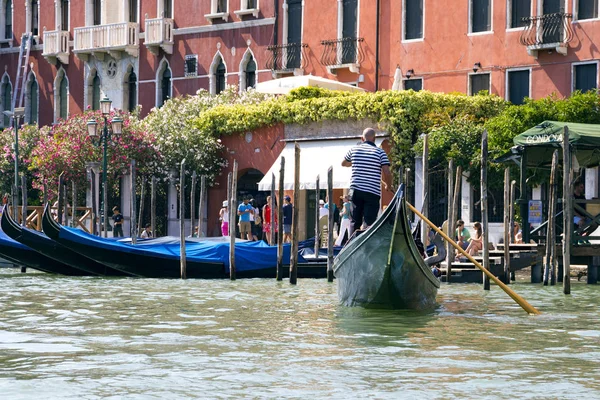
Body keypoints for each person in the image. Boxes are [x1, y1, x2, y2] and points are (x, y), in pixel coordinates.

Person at [342, 127, 392, 231]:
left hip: (356, 190)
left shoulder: (354, 150)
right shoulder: (380, 152)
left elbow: (344, 163)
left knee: (354, 221)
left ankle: (353, 244)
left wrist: (354, 162)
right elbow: (387, 172)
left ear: (362, 138)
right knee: (370, 223)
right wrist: (388, 185)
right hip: (372, 192)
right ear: (374, 139)